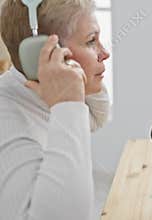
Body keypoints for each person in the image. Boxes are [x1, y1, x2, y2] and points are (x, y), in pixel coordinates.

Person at [0, 0, 110, 219]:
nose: (105, 52)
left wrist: (72, 91)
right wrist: (68, 104)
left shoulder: (35, 94)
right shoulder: (9, 121)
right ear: (39, 54)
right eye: (91, 41)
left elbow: (96, 118)